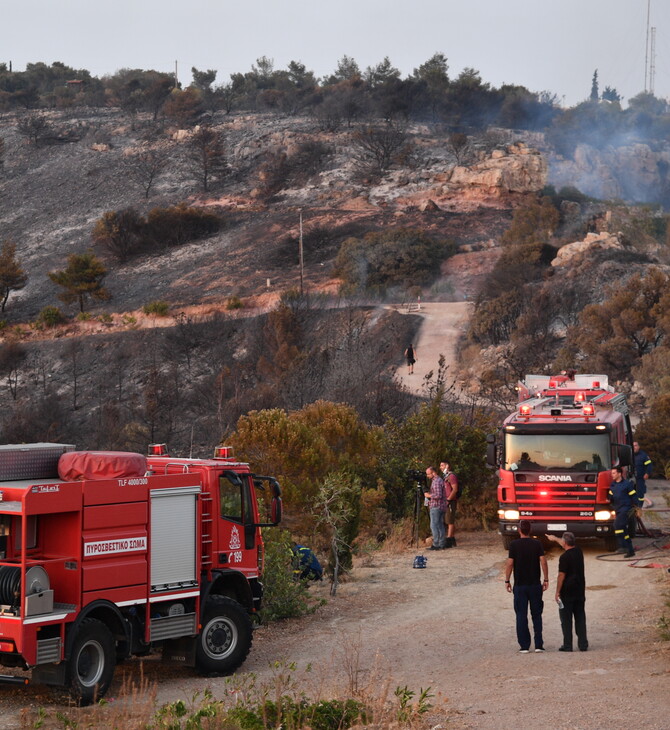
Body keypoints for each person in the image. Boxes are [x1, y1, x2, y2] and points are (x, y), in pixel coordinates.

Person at [504, 519, 548, 653]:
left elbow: (510, 563)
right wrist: (545, 579)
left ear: (519, 530)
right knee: (537, 615)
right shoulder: (537, 544)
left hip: (520, 585)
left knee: (521, 615)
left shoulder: (514, 545)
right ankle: (539, 644)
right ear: (530, 530)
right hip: (535, 584)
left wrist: (507, 580)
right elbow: (543, 562)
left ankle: (524, 645)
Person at [546, 532, 588, 652]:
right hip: (579, 590)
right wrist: (554, 539)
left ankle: (567, 645)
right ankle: (583, 644)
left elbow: (561, 575)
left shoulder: (564, 557)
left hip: (567, 592)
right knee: (580, 617)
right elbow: (564, 542)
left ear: (564, 543)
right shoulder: (579, 552)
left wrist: (557, 592)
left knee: (566, 619)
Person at [608, 466, 636, 558]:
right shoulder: (613, 485)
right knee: (622, 529)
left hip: (626, 509)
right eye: (612, 473)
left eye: (614, 473)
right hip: (618, 509)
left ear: (619, 474)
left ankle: (624, 546)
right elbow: (611, 497)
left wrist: (637, 508)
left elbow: (633, 496)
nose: (612, 475)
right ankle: (629, 549)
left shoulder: (627, 484)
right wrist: (609, 500)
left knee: (617, 525)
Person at [423, 466, 446, 550]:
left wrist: (428, 495)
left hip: (436, 506)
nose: (427, 476)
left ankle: (436, 544)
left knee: (434, 525)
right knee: (440, 525)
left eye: (428, 474)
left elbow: (438, 495)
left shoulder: (436, 481)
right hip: (441, 506)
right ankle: (441, 544)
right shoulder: (439, 480)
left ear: (433, 473)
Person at [440, 460, 459, 548]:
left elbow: (455, 489)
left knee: (450, 520)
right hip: (446, 500)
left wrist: (448, 499)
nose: (441, 467)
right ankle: (451, 538)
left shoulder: (451, 476)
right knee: (447, 520)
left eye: (442, 465)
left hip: (450, 501)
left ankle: (449, 540)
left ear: (447, 466)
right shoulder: (445, 476)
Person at [633, 441, 653, 507]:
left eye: (635, 445)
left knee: (640, 495)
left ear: (638, 447)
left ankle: (639, 508)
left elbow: (649, 465)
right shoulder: (629, 455)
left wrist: (647, 473)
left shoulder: (643, 455)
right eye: (633, 446)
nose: (634, 447)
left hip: (640, 479)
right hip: (630, 478)